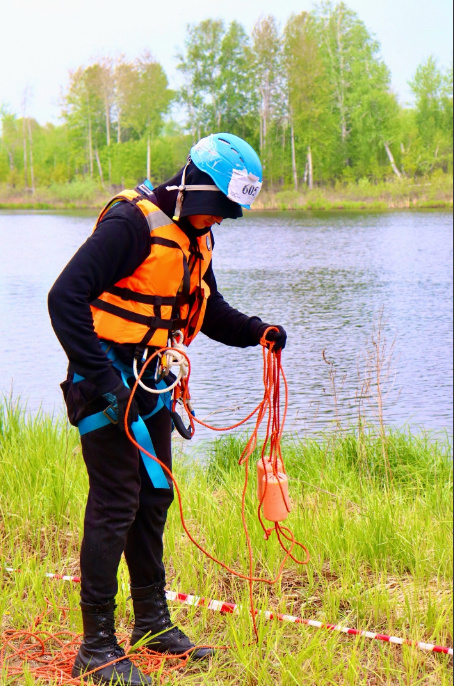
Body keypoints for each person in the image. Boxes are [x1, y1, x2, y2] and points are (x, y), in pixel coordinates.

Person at [48, 132, 287, 685]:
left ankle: (151, 623)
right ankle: (97, 647)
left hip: (151, 381)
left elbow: (208, 307)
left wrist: (259, 333)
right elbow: (64, 298)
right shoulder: (131, 226)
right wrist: (105, 381)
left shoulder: (192, 235)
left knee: (154, 494)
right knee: (116, 500)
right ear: (193, 189)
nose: (223, 220)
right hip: (103, 382)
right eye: (221, 209)